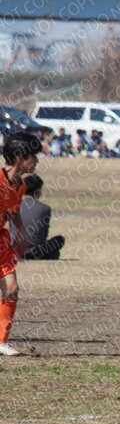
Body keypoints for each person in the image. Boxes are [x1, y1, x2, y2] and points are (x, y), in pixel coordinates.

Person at [0, 132, 41, 356]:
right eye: (33, 156)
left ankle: (1, 341)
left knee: (12, 289)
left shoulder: (20, 186)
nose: (36, 161)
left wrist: (21, 233)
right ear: (19, 157)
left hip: (2, 242)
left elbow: (14, 213)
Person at [14, 175, 65, 260]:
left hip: (15, 249)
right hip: (35, 251)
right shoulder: (45, 208)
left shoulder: (14, 205)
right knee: (59, 240)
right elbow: (43, 234)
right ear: (38, 192)